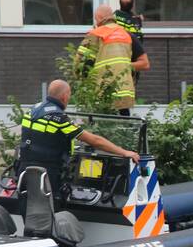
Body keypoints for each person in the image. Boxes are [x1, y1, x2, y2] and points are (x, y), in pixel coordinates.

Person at [16, 79, 140, 211]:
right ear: (64, 96)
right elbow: (94, 140)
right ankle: (47, 232)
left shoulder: (32, 111)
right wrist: (124, 152)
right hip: (47, 171)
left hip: (24, 168)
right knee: (50, 209)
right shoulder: (58, 117)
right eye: (69, 94)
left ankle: (29, 231)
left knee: (29, 206)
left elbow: (41, 138)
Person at [75, 4, 148, 116]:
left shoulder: (95, 34)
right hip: (124, 94)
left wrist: (81, 82)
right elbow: (145, 63)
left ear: (98, 18)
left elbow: (79, 64)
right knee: (124, 127)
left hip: (103, 92)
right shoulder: (127, 34)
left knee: (102, 127)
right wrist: (124, 67)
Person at [113, 0, 148, 100]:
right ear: (132, 5)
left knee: (117, 89)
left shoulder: (114, 17)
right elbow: (138, 38)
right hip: (132, 60)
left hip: (119, 58)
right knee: (127, 90)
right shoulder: (135, 20)